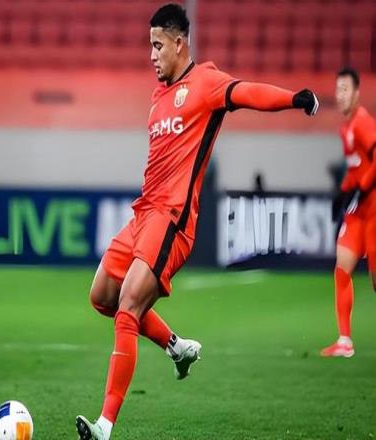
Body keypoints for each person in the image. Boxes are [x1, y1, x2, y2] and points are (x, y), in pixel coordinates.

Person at [76, 4, 319, 439]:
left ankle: (104, 426)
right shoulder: (158, 97)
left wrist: (294, 98)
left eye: (157, 46)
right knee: (102, 298)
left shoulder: (205, 83)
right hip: (142, 215)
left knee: (128, 308)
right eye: (149, 46)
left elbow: (247, 92)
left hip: (172, 220)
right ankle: (177, 348)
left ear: (178, 43)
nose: (151, 55)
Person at [321, 67, 376, 358]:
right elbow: (356, 169)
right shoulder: (346, 129)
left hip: (374, 209)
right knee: (342, 267)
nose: (340, 95)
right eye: (337, 89)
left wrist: (363, 188)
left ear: (356, 93)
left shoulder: (363, 123)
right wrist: (342, 193)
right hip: (358, 212)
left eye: (345, 90)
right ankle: (344, 341)